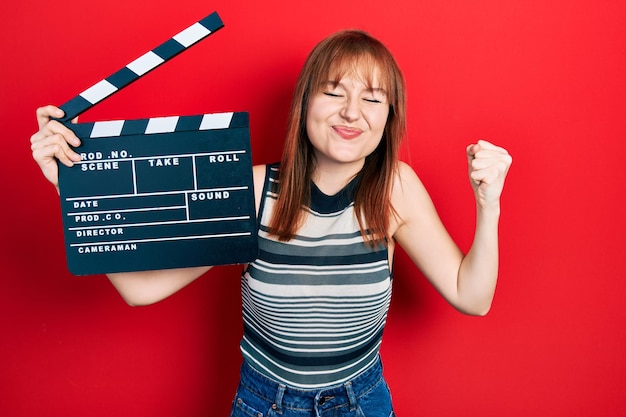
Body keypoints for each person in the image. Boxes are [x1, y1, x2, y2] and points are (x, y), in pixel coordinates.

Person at [31, 29, 512, 417]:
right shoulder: (255, 191)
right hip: (266, 403)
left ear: (389, 117)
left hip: (360, 402)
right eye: (333, 91)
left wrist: (487, 205)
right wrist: (71, 190)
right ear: (305, 102)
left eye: (373, 99)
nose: (351, 112)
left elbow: (471, 296)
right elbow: (143, 290)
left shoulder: (394, 190)